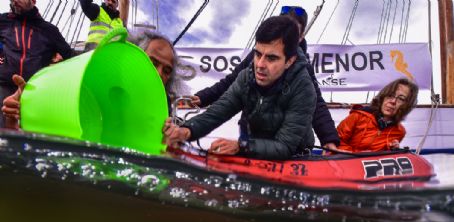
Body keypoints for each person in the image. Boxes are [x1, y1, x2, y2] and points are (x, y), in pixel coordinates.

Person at [164, 16, 316, 160]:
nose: (260, 65)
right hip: (256, 149)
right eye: (258, 54)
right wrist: (185, 131)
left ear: (290, 61)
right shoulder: (246, 77)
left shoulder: (304, 89)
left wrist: (241, 146)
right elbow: (217, 112)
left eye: (271, 58)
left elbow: (285, 146)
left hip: (296, 157)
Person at [190, 5, 340, 152]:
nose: (261, 63)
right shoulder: (255, 58)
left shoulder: (303, 70)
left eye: (293, 30)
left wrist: (328, 138)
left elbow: (317, 103)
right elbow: (231, 82)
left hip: (293, 148)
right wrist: (203, 97)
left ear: (300, 38)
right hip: (254, 139)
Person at [2, 30, 178, 129]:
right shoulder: (91, 83)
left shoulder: (161, 113)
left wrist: (169, 141)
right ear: (135, 56)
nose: (159, 73)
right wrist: (16, 115)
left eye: (167, 70)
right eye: (153, 62)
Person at [0, 0, 74, 126]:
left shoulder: (49, 30)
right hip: (3, 87)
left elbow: (71, 58)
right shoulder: (2, 21)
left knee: (30, 136)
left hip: (34, 91)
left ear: (33, 1)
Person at [337, 78, 418, 152]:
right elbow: (335, 142)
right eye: (390, 95)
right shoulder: (358, 116)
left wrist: (392, 150)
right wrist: (357, 154)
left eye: (401, 99)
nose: (393, 101)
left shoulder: (400, 132)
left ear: (407, 105)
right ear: (383, 97)